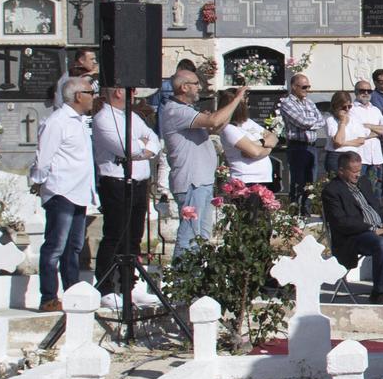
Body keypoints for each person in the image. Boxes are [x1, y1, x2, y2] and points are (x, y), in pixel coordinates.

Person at [30, 73, 98, 312]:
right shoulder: (57, 121)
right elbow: (44, 157)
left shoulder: (79, 121)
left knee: (74, 247)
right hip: (61, 191)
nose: (94, 97)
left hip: (78, 191)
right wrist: (38, 181)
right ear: (78, 96)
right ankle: (48, 296)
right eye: (90, 93)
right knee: (55, 246)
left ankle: (72, 292)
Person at [159, 62, 240, 257]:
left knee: (202, 237)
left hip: (201, 181)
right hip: (191, 182)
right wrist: (237, 99)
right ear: (184, 87)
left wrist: (230, 105)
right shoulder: (175, 110)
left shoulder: (187, 110)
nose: (199, 87)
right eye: (195, 83)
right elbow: (213, 121)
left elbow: (215, 126)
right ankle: (180, 283)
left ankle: (194, 282)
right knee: (189, 236)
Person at [92, 85, 161, 308]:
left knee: (134, 236)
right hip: (116, 182)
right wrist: (142, 148)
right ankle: (106, 287)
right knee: (115, 234)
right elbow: (127, 149)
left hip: (139, 183)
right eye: (129, 90)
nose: (134, 94)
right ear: (118, 93)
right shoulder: (104, 118)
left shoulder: (131, 116)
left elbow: (153, 139)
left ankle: (128, 286)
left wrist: (145, 148)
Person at [322, 153, 383, 304]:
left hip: (381, 229)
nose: (358, 174)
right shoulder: (332, 190)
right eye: (354, 171)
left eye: (359, 170)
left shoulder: (364, 182)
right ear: (341, 171)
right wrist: (372, 229)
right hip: (355, 236)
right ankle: (378, 292)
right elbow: (341, 223)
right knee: (382, 244)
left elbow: (378, 208)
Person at [277, 73, 327, 214]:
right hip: (297, 146)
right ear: (294, 87)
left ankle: (307, 209)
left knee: (311, 181)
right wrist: (312, 122)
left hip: (312, 146)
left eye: (308, 87)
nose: (307, 90)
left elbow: (322, 120)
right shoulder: (287, 103)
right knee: (298, 180)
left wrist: (310, 122)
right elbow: (302, 122)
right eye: (304, 87)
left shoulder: (309, 102)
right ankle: (295, 210)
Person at [342, 81, 383, 205]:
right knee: (359, 189)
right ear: (356, 92)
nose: (365, 93)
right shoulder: (352, 110)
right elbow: (359, 133)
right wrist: (377, 130)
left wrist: (368, 126)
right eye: (362, 90)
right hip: (361, 156)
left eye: (369, 91)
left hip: (376, 157)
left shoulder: (375, 110)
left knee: (376, 190)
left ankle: (378, 219)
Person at [219, 88, 279, 185]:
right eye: (244, 100)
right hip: (246, 180)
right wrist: (267, 145)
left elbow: (273, 137)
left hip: (263, 179)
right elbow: (255, 152)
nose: (247, 103)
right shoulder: (229, 129)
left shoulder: (248, 122)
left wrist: (259, 143)